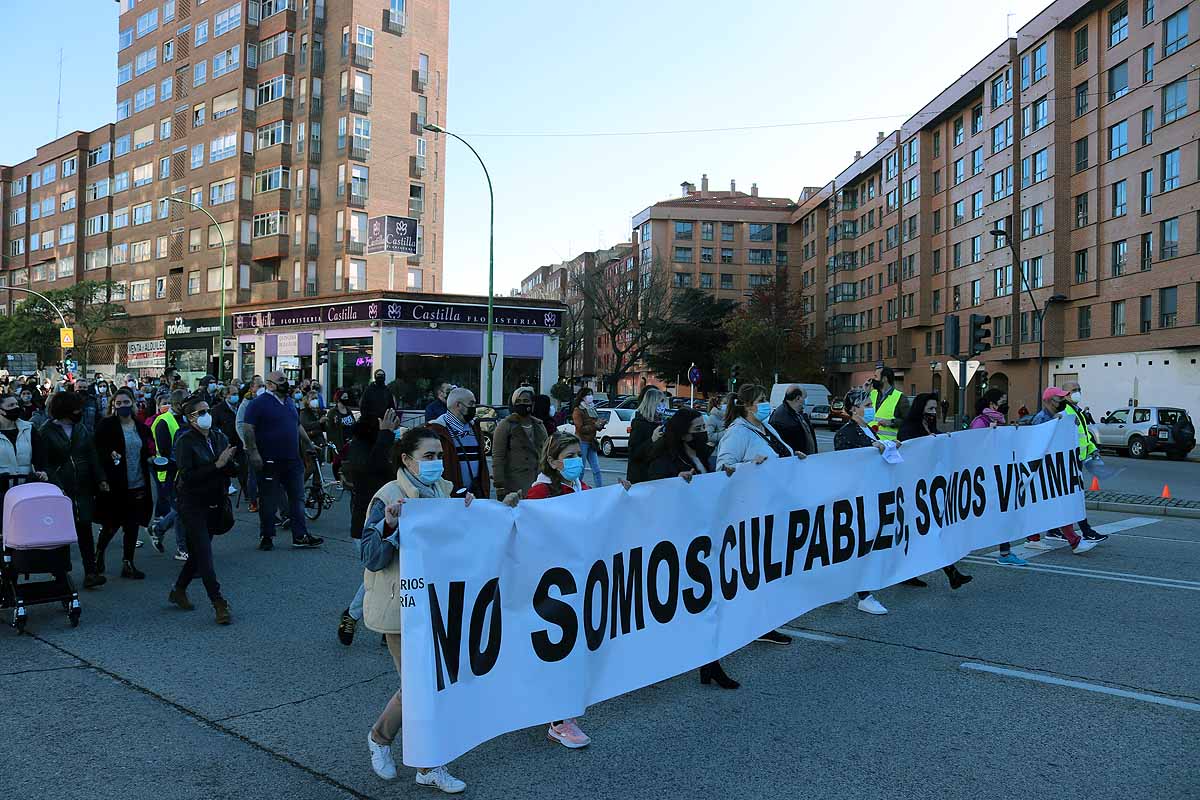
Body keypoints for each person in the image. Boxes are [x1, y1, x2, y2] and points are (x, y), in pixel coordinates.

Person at [361, 425, 471, 793]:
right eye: (429, 457)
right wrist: (391, 524)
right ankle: (418, 759)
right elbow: (371, 558)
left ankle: (389, 742)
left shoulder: (446, 492)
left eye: (439, 457)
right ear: (407, 460)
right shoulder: (386, 497)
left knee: (427, 685)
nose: (436, 463)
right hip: (401, 606)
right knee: (422, 687)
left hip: (438, 603)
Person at [519, 431, 630, 747]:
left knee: (573, 650)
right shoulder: (540, 492)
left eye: (577, 455)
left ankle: (557, 713)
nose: (576, 462)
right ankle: (560, 720)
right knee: (561, 652)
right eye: (568, 456)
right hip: (552, 586)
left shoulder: (580, 487)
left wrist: (620, 495)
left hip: (577, 582)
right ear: (552, 461)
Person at [647, 408, 740, 689]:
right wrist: (677, 484)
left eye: (703, 426)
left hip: (703, 539)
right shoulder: (664, 458)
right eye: (697, 427)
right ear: (682, 430)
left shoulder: (700, 454)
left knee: (708, 605)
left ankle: (710, 664)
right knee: (683, 607)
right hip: (677, 542)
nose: (703, 431)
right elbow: (654, 492)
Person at [716, 384, 802, 643]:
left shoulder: (765, 428)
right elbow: (722, 469)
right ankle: (754, 624)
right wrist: (747, 467)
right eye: (762, 400)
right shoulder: (737, 433)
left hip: (774, 508)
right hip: (753, 512)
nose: (767, 404)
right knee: (758, 569)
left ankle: (764, 621)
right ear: (749, 405)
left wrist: (791, 457)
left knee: (771, 568)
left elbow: (777, 453)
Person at [833, 388, 904, 614]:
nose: (871, 408)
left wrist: (890, 447)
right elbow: (845, 461)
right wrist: (870, 450)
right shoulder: (847, 432)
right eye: (866, 405)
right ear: (854, 409)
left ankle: (839, 587)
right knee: (859, 545)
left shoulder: (868, 430)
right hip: (855, 498)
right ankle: (864, 594)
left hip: (870, 495)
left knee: (857, 546)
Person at [169, 396, 237, 624]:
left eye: (207, 410)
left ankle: (178, 589)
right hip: (192, 503)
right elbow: (187, 476)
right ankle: (218, 602)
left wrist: (230, 463)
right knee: (204, 554)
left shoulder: (218, 436)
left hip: (215, 500)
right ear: (190, 418)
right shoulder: (185, 441)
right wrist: (217, 464)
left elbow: (231, 468)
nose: (207, 415)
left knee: (199, 552)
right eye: (201, 412)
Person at [337, 410, 401, 646]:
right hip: (367, 524)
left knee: (392, 574)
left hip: (394, 518)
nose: (394, 421)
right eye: (388, 417)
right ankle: (353, 614)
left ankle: (389, 625)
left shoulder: (389, 442)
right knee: (378, 575)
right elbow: (369, 471)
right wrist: (385, 435)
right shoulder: (360, 446)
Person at [897, 394, 973, 589]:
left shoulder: (927, 425)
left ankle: (950, 573)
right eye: (930, 409)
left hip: (927, 485)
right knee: (924, 532)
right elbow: (907, 447)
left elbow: (939, 439)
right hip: (912, 487)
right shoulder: (909, 427)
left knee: (928, 531)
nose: (933, 413)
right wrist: (926, 441)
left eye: (934, 409)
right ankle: (949, 573)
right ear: (920, 408)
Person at [242, 370, 324, 550]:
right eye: (281, 380)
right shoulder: (258, 404)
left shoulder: (289, 402)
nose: (285, 383)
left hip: (292, 459)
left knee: (297, 498)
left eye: (286, 380)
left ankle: (300, 535)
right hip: (269, 459)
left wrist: (309, 444)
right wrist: (253, 452)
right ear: (270, 385)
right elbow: (248, 428)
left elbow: (297, 425)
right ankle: (267, 536)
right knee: (268, 499)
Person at [40, 391, 109, 589]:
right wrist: (56, 485)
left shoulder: (81, 429)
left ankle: (91, 572)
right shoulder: (46, 431)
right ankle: (62, 574)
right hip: (60, 488)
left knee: (85, 529)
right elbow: (45, 464)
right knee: (61, 533)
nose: (80, 411)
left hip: (83, 486)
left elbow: (92, 455)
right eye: (76, 409)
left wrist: (101, 479)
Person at [1033, 386, 1102, 553]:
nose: (1063, 402)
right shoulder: (1041, 419)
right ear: (1049, 401)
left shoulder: (1062, 417)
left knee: (1057, 503)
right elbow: (1037, 444)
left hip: (1058, 468)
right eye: (1059, 399)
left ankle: (1039, 538)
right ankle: (1073, 541)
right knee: (1059, 503)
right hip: (1047, 470)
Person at [94, 388, 154, 580]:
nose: (123, 407)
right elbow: (96, 450)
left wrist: (152, 458)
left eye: (126, 403)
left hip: (137, 482)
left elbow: (146, 450)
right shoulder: (106, 425)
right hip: (115, 483)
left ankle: (128, 563)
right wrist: (108, 456)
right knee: (111, 523)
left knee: (132, 524)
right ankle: (99, 553)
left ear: (133, 404)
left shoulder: (141, 427)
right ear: (113, 406)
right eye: (118, 404)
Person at [427, 387, 491, 497]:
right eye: (471, 403)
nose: (474, 407)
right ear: (458, 405)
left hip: (475, 496)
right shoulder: (436, 431)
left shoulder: (474, 428)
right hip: (449, 498)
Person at [150, 390, 190, 561]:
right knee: (182, 509)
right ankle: (182, 548)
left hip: (186, 471)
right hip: (171, 473)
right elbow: (165, 452)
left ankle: (158, 529)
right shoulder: (163, 422)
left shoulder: (187, 418)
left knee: (181, 508)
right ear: (177, 404)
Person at [490, 386, 547, 499]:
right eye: (518, 401)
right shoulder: (505, 425)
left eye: (526, 401)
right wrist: (499, 486)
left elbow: (546, 452)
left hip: (538, 482)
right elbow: (498, 457)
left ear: (532, 404)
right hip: (514, 484)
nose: (522, 404)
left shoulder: (539, 425)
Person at [0, 393, 48, 525]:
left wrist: (41, 470)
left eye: (16, 404)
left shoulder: (28, 428)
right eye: (10, 405)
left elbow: (39, 453)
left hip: (25, 486)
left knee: (24, 525)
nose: (15, 407)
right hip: (2, 487)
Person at [626, 387, 666, 484]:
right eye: (661, 401)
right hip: (641, 477)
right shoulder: (639, 424)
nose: (663, 405)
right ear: (652, 403)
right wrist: (652, 439)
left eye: (663, 402)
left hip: (657, 476)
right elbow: (634, 453)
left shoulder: (660, 423)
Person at [236, 376, 264, 512]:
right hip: (251, 444)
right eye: (259, 386)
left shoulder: (266, 401)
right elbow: (239, 424)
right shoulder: (246, 403)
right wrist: (246, 441)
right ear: (252, 388)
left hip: (265, 442)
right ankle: (253, 501)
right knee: (253, 473)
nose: (261, 388)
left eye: (263, 385)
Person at [769, 385, 818, 456]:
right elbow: (781, 447)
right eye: (805, 398)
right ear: (798, 398)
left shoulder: (798, 413)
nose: (805, 401)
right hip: (796, 461)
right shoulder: (780, 418)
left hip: (804, 460)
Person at [570, 387, 603, 488]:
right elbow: (580, 428)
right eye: (588, 394)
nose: (590, 396)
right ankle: (576, 489)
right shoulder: (578, 410)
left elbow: (595, 424)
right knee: (581, 469)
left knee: (596, 469)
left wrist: (600, 424)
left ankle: (600, 489)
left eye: (591, 394)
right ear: (582, 397)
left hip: (591, 442)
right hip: (582, 442)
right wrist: (595, 426)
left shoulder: (592, 408)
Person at [324, 390, 357, 483]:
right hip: (339, 441)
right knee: (337, 463)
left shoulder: (348, 410)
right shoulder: (332, 412)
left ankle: (347, 480)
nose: (346, 399)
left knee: (348, 463)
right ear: (338, 399)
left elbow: (353, 423)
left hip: (350, 441)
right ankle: (338, 480)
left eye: (347, 397)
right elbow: (329, 429)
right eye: (344, 397)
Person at [868, 366, 905, 441]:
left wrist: (891, 422)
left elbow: (908, 421)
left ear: (884, 379)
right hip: (871, 442)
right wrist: (864, 389)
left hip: (889, 445)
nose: (873, 380)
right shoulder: (872, 394)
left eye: (876, 376)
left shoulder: (900, 397)